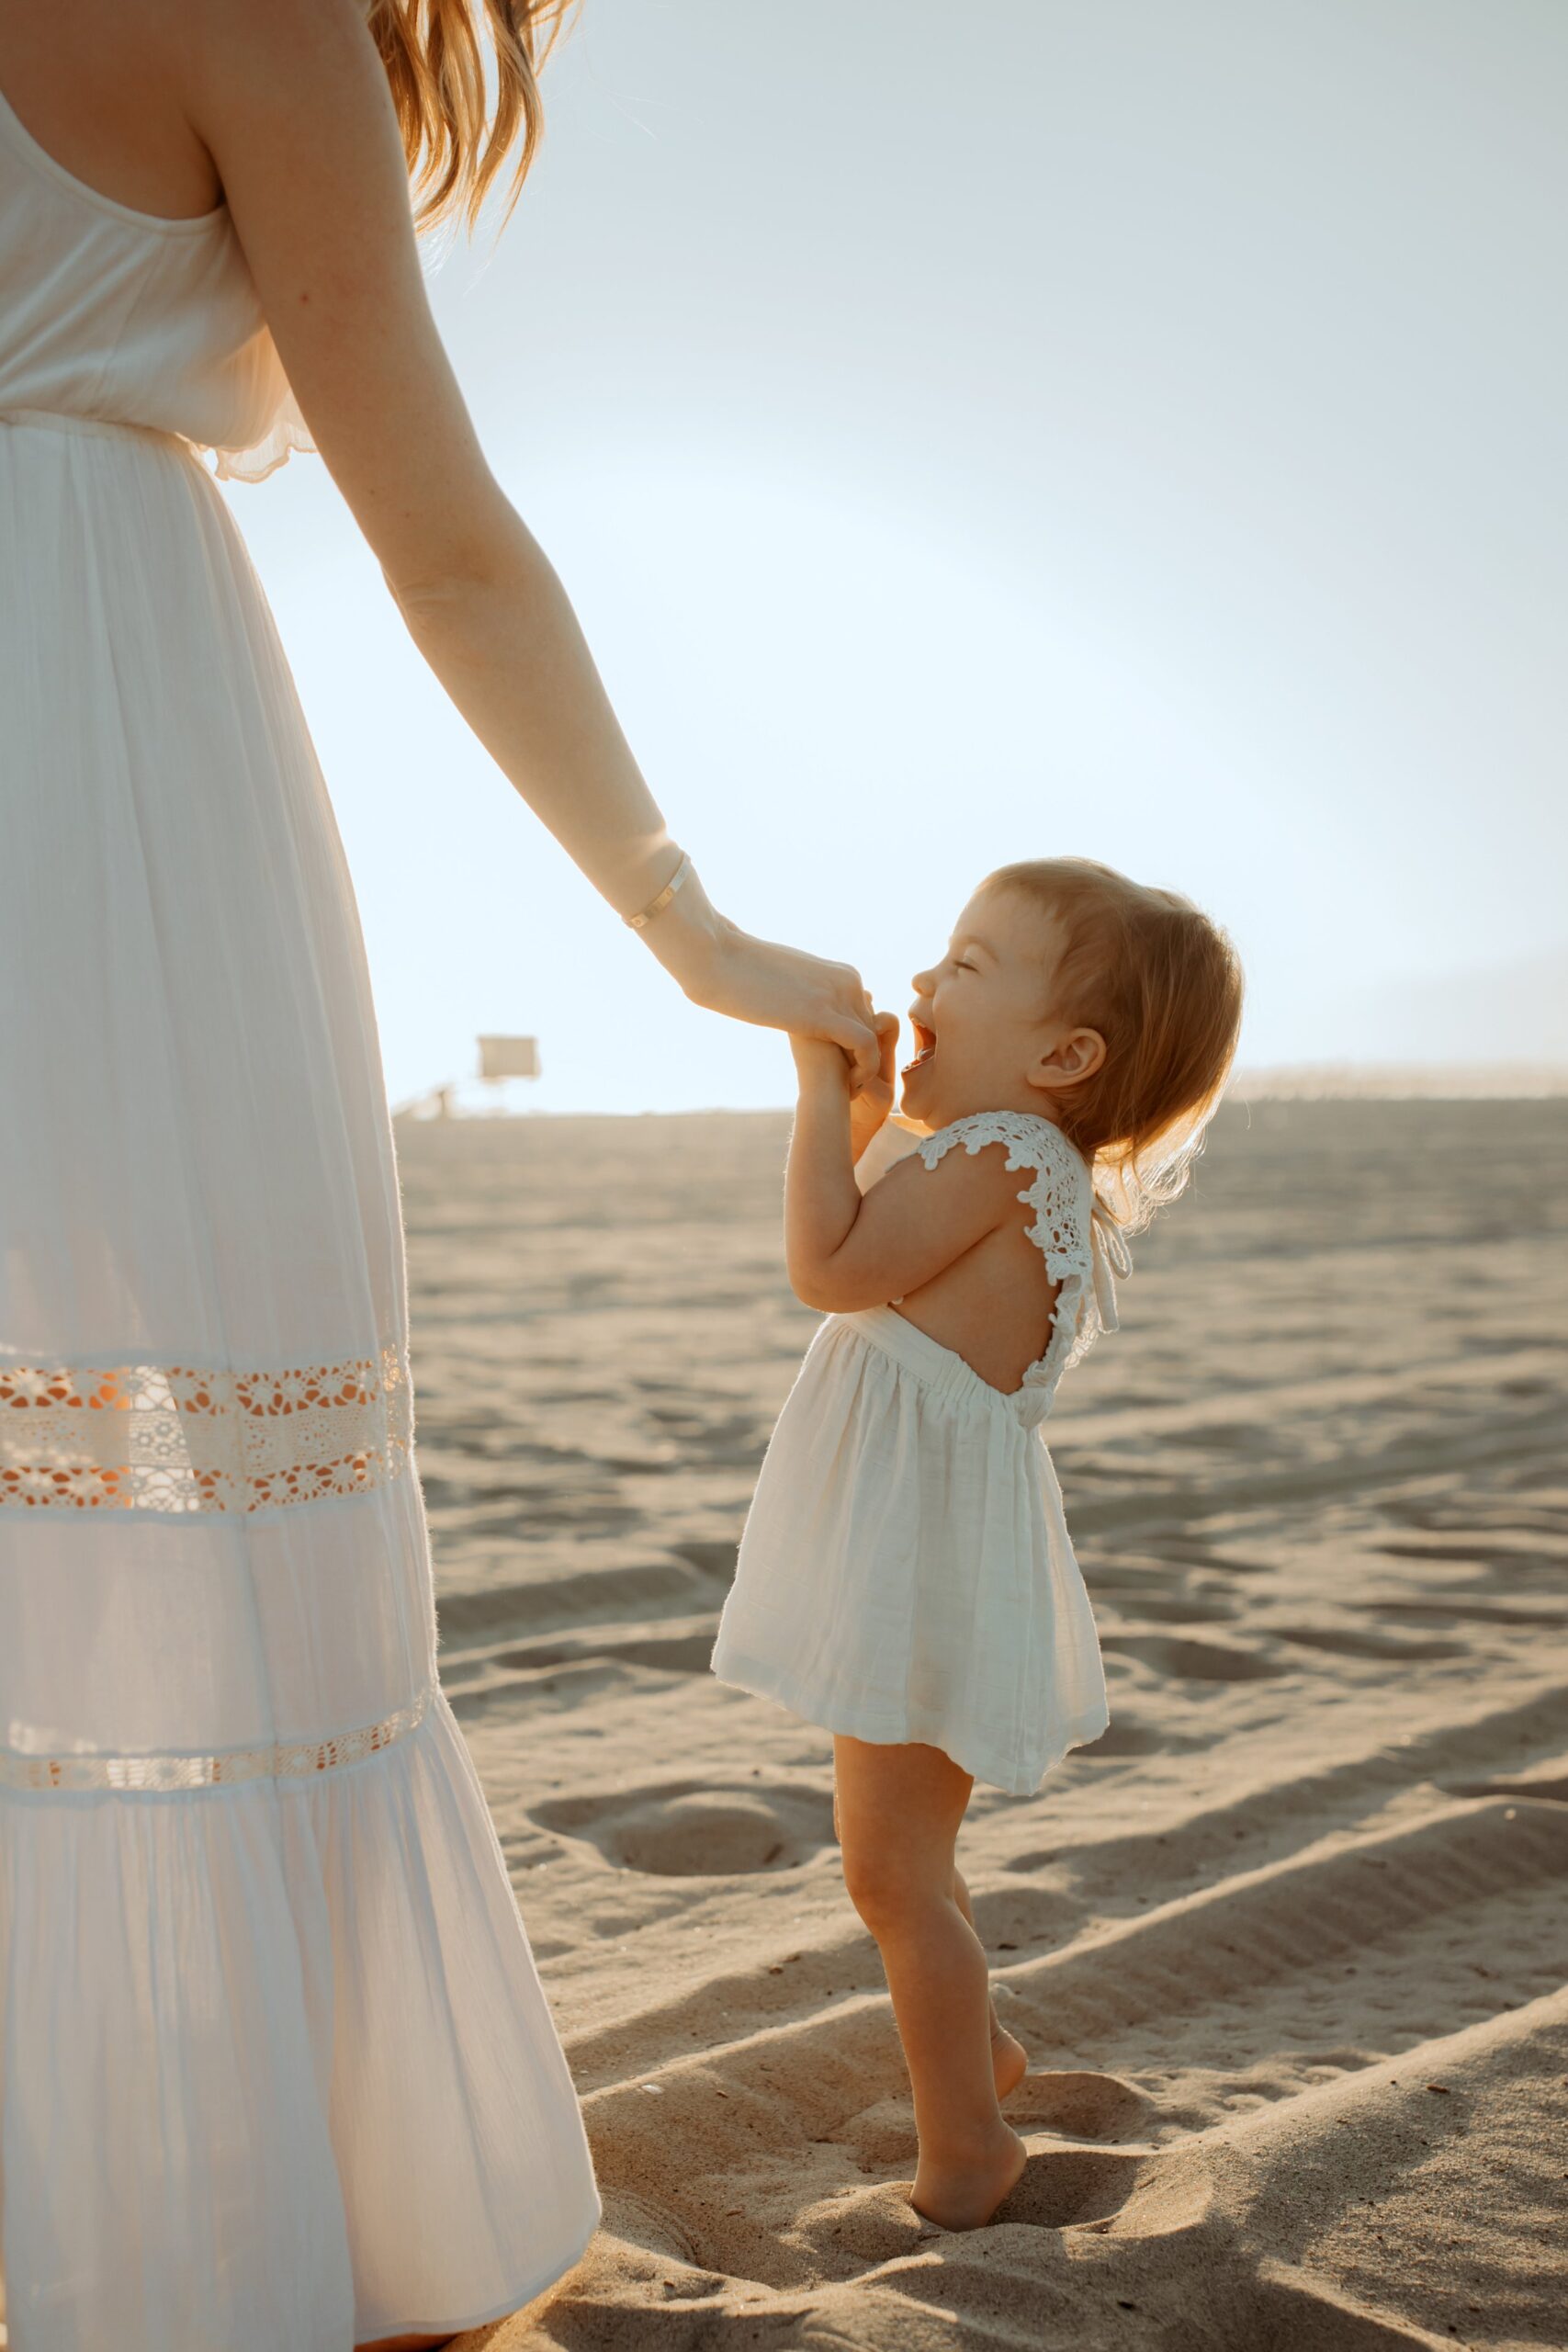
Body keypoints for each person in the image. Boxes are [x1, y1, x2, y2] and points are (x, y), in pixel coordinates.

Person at [0, 0, 883, 2346]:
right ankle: (245, 2233)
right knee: (173, 1491)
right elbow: (448, 549)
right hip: (92, 756)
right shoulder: (238, 22)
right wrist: (685, 921)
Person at [711, 857, 1244, 2230]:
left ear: (1065, 1055)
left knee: (890, 1875)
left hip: (919, 1559)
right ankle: (979, 2057)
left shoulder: (1004, 1156)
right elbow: (883, 1242)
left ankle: (971, 2146)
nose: (924, 985)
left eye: (967, 967)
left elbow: (830, 1267)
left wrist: (819, 1096)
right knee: (918, 1863)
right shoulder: (1010, 1160)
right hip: (930, 1545)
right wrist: (885, 1113)